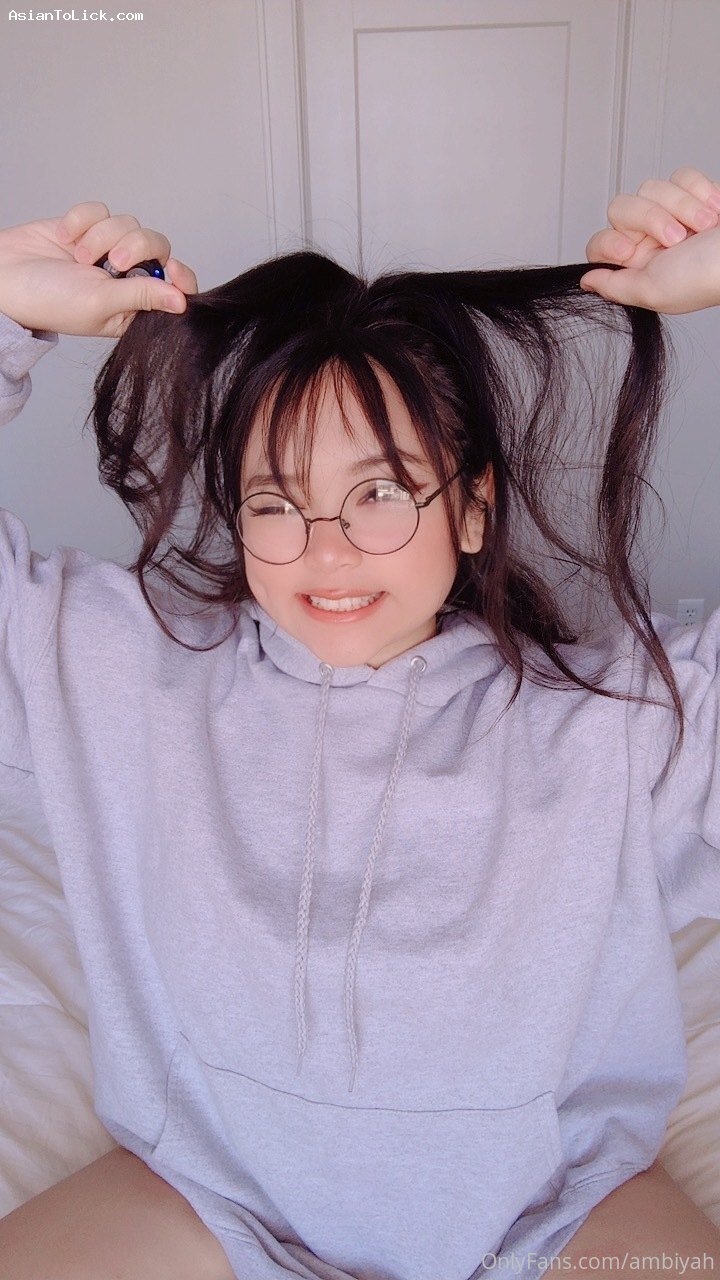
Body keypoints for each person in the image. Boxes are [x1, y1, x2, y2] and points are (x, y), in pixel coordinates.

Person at [0, 169, 719, 1280]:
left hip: (554, 1206)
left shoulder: (624, 716)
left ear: (472, 505)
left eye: (380, 491)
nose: (325, 552)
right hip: (213, 1188)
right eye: (274, 503)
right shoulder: (123, 667)